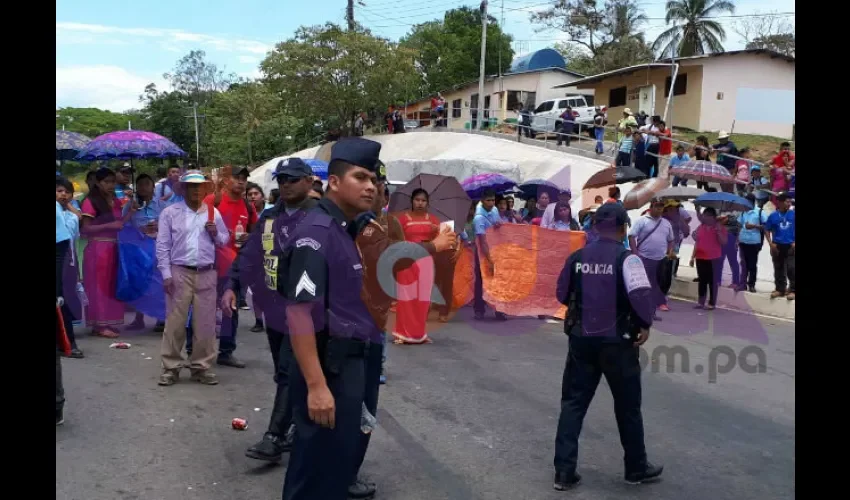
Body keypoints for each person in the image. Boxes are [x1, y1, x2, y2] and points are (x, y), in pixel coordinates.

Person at [277, 137, 383, 500]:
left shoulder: (340, 229)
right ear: (335, 182)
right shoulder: (318, 232)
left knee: (334, 470)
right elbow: (300, 313)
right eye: (360, 177)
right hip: (326, 368)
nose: (370, 186)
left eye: (373, 178)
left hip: (346, 363)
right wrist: (317, 386)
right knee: (313, 473)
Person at [352, 167, 455, 498]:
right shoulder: (356, 225)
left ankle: (348, 468)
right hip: (352, 320)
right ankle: (341, 472)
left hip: (376, 312)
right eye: (367, 184)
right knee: (353, 402)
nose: (374, 191)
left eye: (378, 186)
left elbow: (393, 257)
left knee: (366, 395)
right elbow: (390, 256)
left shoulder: (388, 223)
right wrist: (433, 246)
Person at [553, 202, 662, 490]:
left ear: (595, 226)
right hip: (618, 342)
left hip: (581, 340)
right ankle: (636, 469)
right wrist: (644, 325)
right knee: (628, 407)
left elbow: (561, 294)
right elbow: (641, 299)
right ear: (624, 227)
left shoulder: (576, 257)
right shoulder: (629, 260)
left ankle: (564, 472)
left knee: (573, 404)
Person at [228, 158, 318, 462]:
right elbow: (249, 254)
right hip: (275, 308)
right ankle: (295, 426)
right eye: (282, 180)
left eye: (293, 179)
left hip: (307, 310)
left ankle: (275, 436)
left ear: (309, 181)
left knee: (289, 369)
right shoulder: (268, 217)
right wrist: (232, 285)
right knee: (287, 373)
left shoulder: (322, 217)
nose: (287, 185)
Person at [155, 170, 230, 386]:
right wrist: (166, 274)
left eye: (199, 186)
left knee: (205, 324)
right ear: (183, 189)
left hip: (207, 272)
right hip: (179, 271)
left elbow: (224, 240)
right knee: (175, 323)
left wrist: (215, 232)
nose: (195, 190)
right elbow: (162, 246)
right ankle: (171, 368)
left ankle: (201, 367)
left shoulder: (212, 213)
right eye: (191, 186)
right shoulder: (170, 213)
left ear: (205, 189)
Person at [199, 166, 258, 368]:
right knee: (203, 309)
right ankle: (198, 352)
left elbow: (255, 232)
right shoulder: (212, 201)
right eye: (237, 177)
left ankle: (226, 351)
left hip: (234, 267)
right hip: (209, 265)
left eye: (244, 178)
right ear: (226, 180)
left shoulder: (248, 207)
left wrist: (250, 237)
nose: (241, 182)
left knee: (229, 309)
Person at [80, 167, 136, 338]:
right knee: (99, 287)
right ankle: (99, 324)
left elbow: (119, 224)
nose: (110, 185)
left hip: (113, 247)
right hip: (97, 248)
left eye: (113, 182)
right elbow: (85, 229)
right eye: (106, 182)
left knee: (112, 285)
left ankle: (110, 321)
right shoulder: (91, 201)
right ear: (98, 183)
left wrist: (131, 212)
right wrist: (108, 226)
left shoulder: (116, 201)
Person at [394, 188, 443, 342]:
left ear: (427, 203)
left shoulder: (434, 220)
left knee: (423, 298)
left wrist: (438, 232)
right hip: (407, 260)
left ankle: (420, 334)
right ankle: (402, 333)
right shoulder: (402, 219)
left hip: (426, 261)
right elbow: (395, 238)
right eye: (417, 200)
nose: (420, 203)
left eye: (423, 200)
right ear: (412, 201)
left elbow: (442, 240)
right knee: (406, 297)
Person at [628, 198, 675, 314]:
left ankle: (651, 312)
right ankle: (639, 310)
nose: (659, 209)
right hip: (644, 258)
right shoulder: (642, 221)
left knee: (657, 285)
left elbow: (671, 239)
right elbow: (631, 236)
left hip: (660, 259)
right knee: (643, 286)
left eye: (661, 207)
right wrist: (635, 253)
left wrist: (669, 252)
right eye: (657, 206)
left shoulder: (666, 223)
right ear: (651, 207)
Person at [56, 177, 85, 358]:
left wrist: (69, 207)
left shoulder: (70, 215)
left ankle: (69, 342)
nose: (63, 194)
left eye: (67, 192)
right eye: (59, 191)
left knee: (61, 299)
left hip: (63, 259)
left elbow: (67, 240)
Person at [472, 189, 507, 321]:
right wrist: (489, 260)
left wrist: (498, 224)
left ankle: (499, 310)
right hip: (482, 252)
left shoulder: (495, 210)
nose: (491, 203)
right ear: (482, 200)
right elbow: (482, 242)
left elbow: (497, 226)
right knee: (481, 280)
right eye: (488, 200)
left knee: (498, 280)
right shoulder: (478, 218)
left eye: (493, 200)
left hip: (497, 249)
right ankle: (479, 309)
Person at [691, 207, 727, 309]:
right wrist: (694, 236)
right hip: (700, 256)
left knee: (712, 281)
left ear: (713, 217)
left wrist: (719, 232)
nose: (705, 217)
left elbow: (723, 242)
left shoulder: (719, 227)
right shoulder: (701, 226)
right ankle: (701, 301)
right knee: (702, 280)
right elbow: (695, 238)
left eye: (707, 215)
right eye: (704, 215)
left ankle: (712, 303)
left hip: (713, 258)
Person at [764, 192, 795, 300]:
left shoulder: (793, 214)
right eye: (787, 201)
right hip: (777, 246)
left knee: (792, 268)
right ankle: (780, 289)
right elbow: (766, 229)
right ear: (780, 202)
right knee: (778, 268)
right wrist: (770, 243)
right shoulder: (773, 216)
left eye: (790, 201)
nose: (789, 203)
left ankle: (793, 290)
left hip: (791, 246)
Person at [737, 193, 767, 293]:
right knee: (743, 263)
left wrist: (754, 226)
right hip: (743, 241)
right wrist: (737, 240)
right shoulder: (743, 212)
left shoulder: (760, 212)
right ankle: (742, 284)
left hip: (754, 242)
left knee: (752, 264)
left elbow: (766, 227)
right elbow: (740, 225)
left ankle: (752, 284)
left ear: (752, 202)